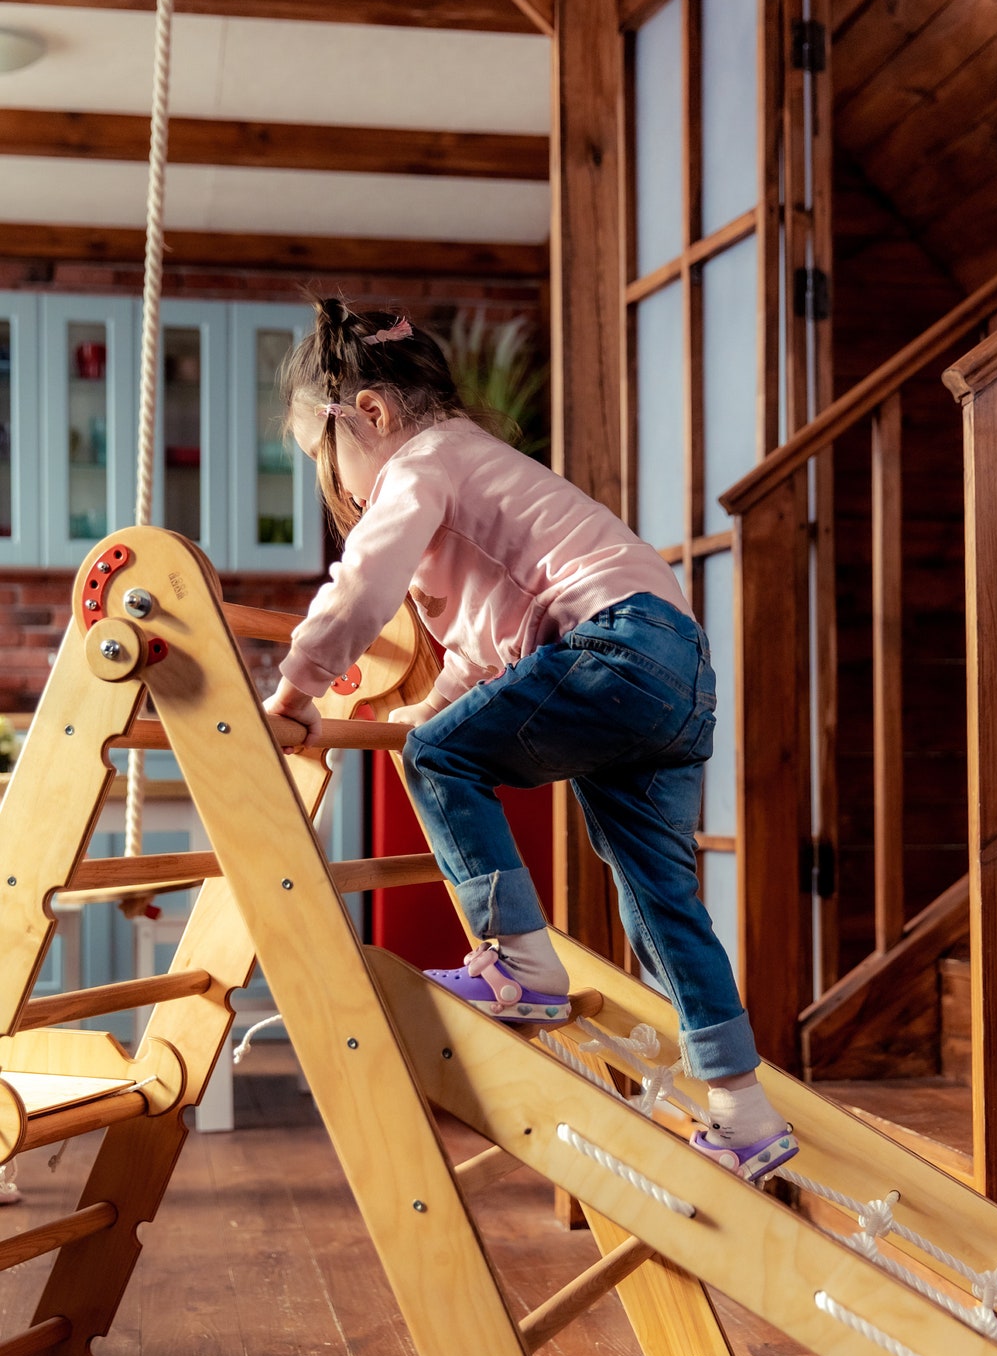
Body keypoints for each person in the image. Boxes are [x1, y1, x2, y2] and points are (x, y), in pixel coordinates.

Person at [264, 298, 797, 1185]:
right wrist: (397, 718)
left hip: (614, 650)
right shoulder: (484, 467)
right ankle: (744, 1113)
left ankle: (517, 963)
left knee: (435, 760)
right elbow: (481, 659)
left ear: (370, 415)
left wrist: (295, 689)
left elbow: (361, 589)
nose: (345, 491)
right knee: (659, 903)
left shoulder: (420, 464)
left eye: (332, 465)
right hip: (675, 669)